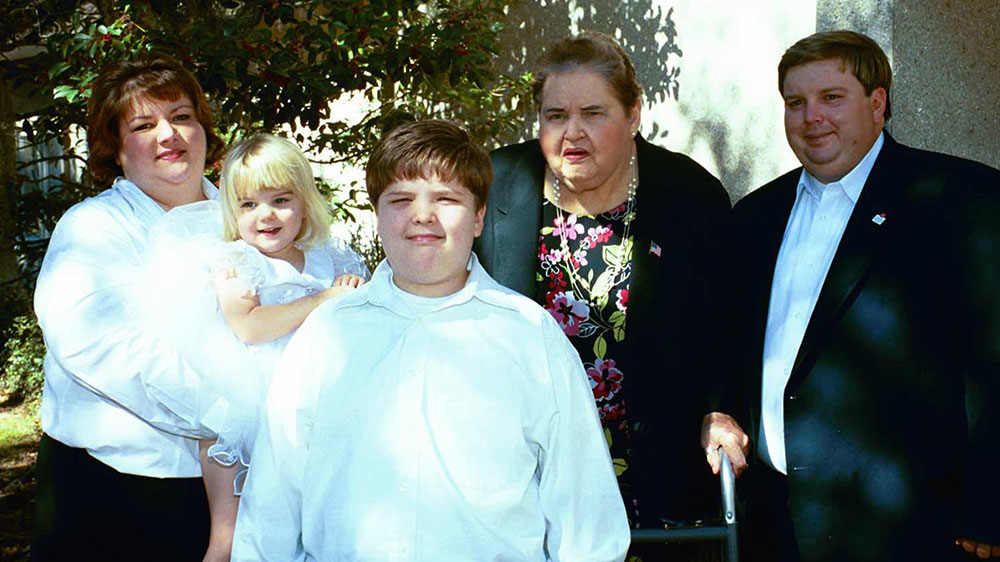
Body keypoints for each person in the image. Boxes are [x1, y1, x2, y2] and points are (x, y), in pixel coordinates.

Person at [231, 120, 630, 561]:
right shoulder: (326, 335)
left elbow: (586, 519)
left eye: (446, 199)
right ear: (378, 216)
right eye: (400, 200)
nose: (422, 216)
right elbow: (270, 508)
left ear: (479, 216)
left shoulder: (529, 336)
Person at [703, 30, 1000, 562]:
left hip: (915, 535)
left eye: (831, 98)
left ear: (878, 102)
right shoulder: (753, 217)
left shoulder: (962, 201)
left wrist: (991, 506)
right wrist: (718, 413)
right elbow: (729, 348)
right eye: (796, 103)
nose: (811, 116)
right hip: (776, 528)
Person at [473, 30, 740, 536]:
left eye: (593, 114)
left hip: (654, 472)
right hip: (521, 474)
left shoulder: (689, 196)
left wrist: (720, 411)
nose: (572, 133)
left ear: (634, 114)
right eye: (556, 116)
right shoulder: (497, 182)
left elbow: (726, 327)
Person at [31, 54, 228, 561]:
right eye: (145, 124)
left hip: (235, 487)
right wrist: (228, 411)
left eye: (182, 117)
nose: (170, 134)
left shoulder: (251, 216)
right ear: (115, 149)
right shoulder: (92, 228)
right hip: (113, 489)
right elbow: (100, 346)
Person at [136, 133, 368, 561]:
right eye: (248, 205)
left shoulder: (329, 258)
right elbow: (248, 325)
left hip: (318, 399)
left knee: (311, 523)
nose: (266, 215)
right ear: (232, 210)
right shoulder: (238, 261)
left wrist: (351, 293)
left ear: (304, 201)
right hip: (253, 400)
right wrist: (322, 301)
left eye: (281, 200)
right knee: (233, 537)